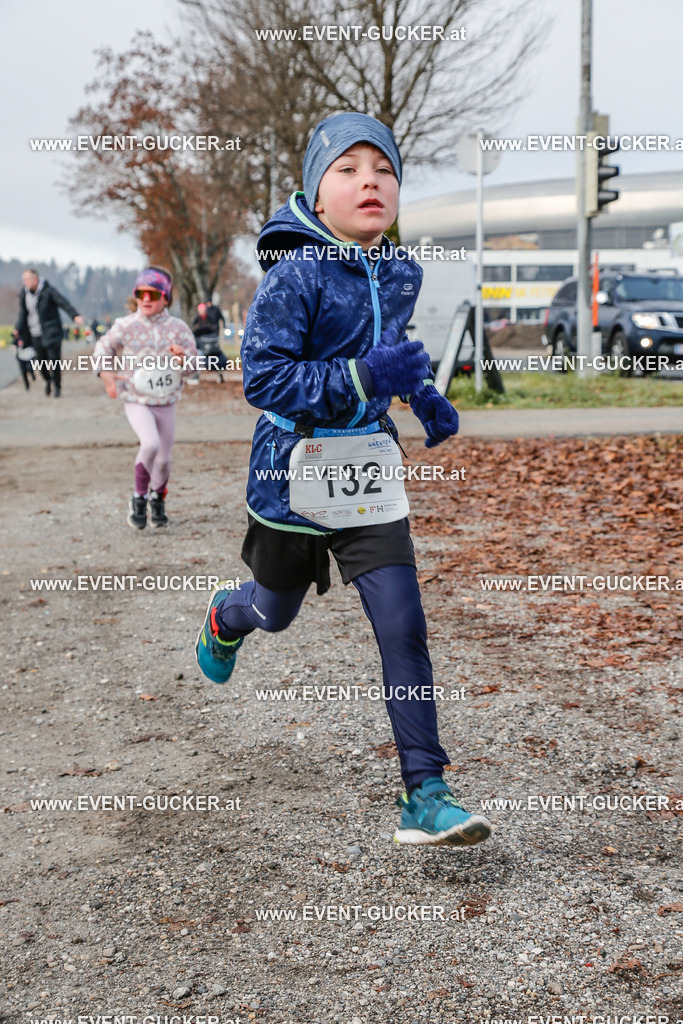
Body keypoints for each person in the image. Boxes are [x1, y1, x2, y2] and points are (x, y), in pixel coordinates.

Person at [195, 113, 492, 849]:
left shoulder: (401, 271)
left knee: (403, 624)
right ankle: (226, 618)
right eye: (349, 169)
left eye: (384, 170)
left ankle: (425, 792)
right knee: (274, 611)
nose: (370, 182)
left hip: (367, 473)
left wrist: (421, 394)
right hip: (290, 475)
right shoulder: (293, 276)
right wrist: (363, 376)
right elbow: (263, 379)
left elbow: (390, 348)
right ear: (315, 193)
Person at [93, 267, 198, 530]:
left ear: (166, 297)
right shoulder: (125, 325)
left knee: (163, 460)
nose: (147, 299)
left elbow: (194, 367)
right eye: (141, 294)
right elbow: (102, 348)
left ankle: (157, 499)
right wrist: (105, 373)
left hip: (166, 401)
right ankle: (138, 498)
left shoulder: (179, 328)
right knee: (149, 444)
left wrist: (183, 359)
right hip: (136, 398)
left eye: (153, 294)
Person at [13, 268, 83, 397]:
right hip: (35, 333)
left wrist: (75, 315)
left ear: (35, 279)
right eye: (24, 280)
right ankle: (48, 380)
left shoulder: (48, 291)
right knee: (40, 362)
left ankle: (57, 387)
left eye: (27, 279)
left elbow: (63, 302)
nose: (25, 282)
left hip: (51, 331)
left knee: (54, 360)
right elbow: (23, 313)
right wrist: (17, 328)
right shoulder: (24, 293)